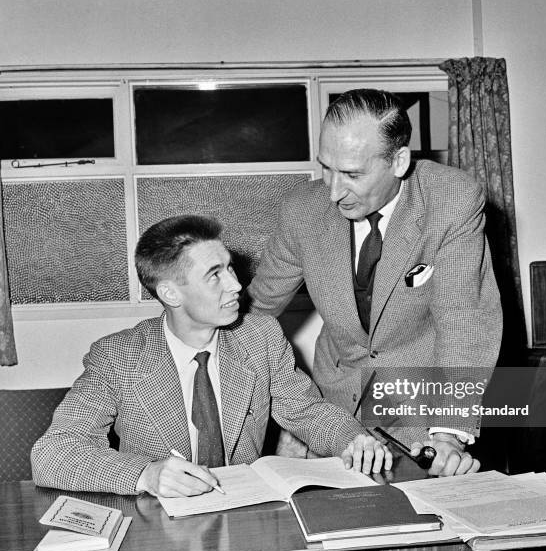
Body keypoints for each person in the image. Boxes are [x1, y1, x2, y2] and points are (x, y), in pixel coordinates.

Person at [31, 215, 391, 497]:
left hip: (246, 515)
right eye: (214, 276)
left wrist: (352, 439)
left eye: (230, 268)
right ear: (171, 293)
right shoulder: (118, 357)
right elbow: (53, 453)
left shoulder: (260, 337)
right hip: (159, 525)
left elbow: (308, 412)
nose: (236, 285)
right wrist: (146, 474)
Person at [248, 88, 502, 476]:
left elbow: (463, 321)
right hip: (337, 408)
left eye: (351, 174)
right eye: (326, 168)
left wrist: (448, 435)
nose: (333, 192)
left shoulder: (451, 200)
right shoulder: (301, 209)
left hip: (422, 411)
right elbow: (257, 309)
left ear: (399, 161)